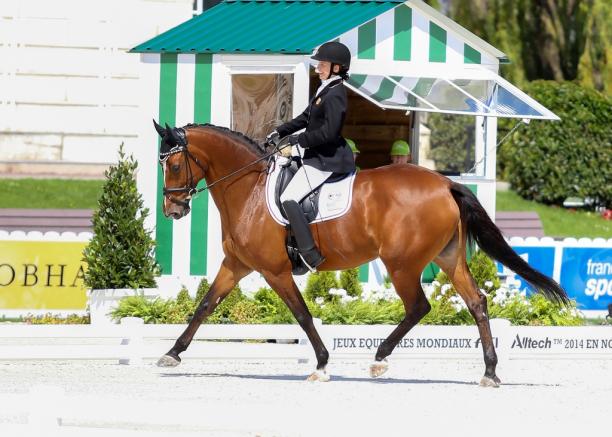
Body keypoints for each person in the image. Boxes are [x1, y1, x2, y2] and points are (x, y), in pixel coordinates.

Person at [266, 41, 355, 271]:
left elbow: (329, 132)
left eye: (322, 65)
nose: (317, 68)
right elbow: (305, 118)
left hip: (327, 159)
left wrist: (298, 140)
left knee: (289, 198)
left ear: (337, 68)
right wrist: (281, 130)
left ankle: (309, 254)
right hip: (316, 155)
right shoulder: (324, 88)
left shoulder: (336, 94)